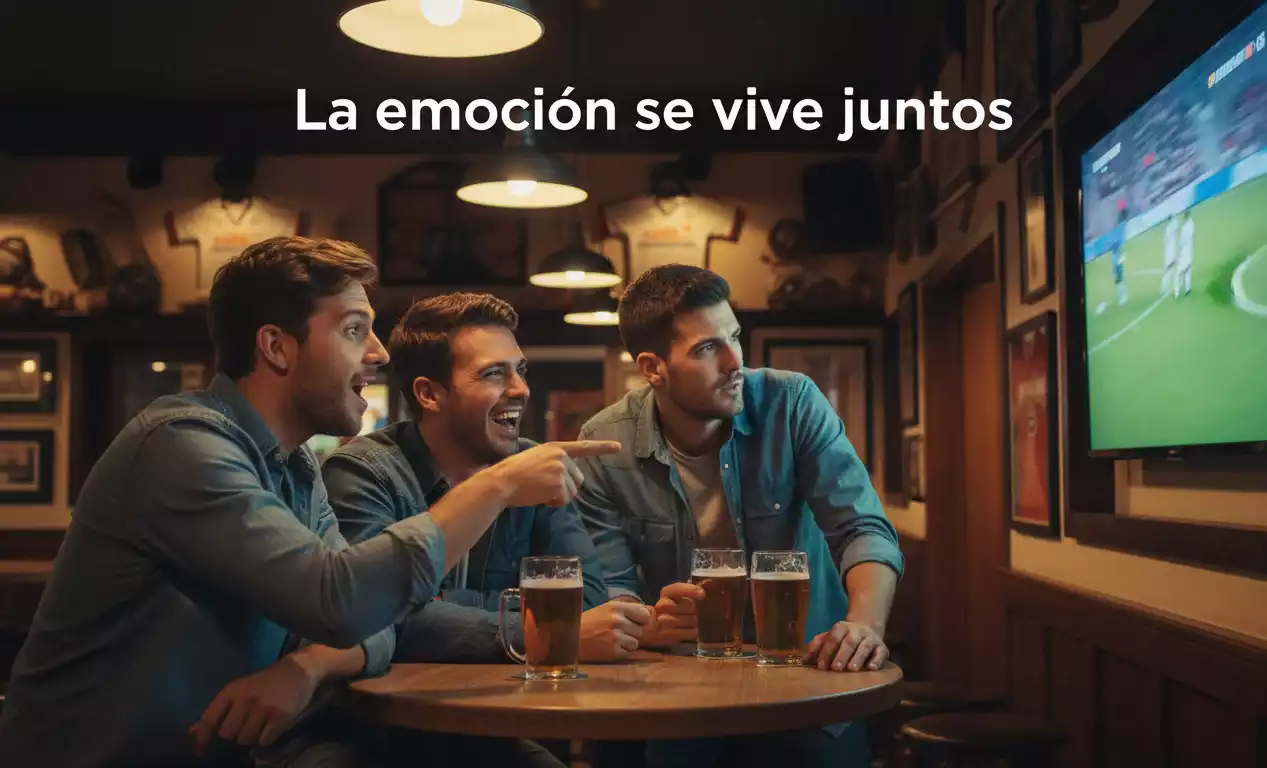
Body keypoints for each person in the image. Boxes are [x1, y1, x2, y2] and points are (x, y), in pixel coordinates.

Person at [0, 236, 617, 768]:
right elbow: (343, 601)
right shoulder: (181, 444)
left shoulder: (295, 467)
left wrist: (307, 667)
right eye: (353, 329)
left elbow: (372, 623)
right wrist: (498, 484)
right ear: (276, 347)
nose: (378, 352)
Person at [572, 264, 905, 768]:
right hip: (679, 690)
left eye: (734, 337)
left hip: (806, 675)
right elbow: (611, 585)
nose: (735, 362)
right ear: (653, 367)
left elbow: (862, 529)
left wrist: (864, 625)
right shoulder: (603, 442)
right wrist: (648, 623)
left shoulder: (791, 402)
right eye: (707, 348)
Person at [323, 292, 651, 669]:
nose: (521, 389)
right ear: (429, 394)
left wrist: (440, 604)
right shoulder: (363, 472)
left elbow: (587, 602)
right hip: (396, 704)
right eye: (494, 373)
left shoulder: (535, 465)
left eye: (520, 371)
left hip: (524, 701)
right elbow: (371, 616)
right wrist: (536, 630)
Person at [1178, 209, 1196, 297]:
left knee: (1183, 270)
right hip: (1189, 250)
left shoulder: (1184, 227)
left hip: (1184, 250)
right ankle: (1187, 288)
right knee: (1188, 269)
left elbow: (1182, 241)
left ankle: (1182, 287)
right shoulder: (1191, 224)